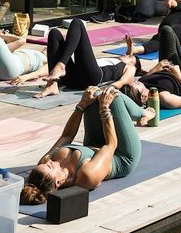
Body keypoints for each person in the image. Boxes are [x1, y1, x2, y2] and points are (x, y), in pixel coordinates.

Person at [20, 86, 152, 204]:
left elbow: (66, 136)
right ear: (58, 182)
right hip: (121, 154)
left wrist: (81, 105)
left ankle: (135, 112)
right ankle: (144, 113)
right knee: (113, 96)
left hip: (94, 144)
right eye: (50, 166)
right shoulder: (87, 176)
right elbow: (111, 145)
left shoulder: (44, 162)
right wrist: (104, 108)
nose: (50, 161)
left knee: (94, 95)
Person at [26, 18, 140, 98]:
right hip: (71, 79)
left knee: (77, 23)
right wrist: (129, 49)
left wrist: (109, 90)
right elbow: (128, 55)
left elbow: (121, 82)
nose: (126, 55)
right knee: (54, 34)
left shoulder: (131, 68)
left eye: (130, 57)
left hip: (91, 78)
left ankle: (61, 65)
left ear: (133, 63)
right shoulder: (114, 60)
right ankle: (52, 84)